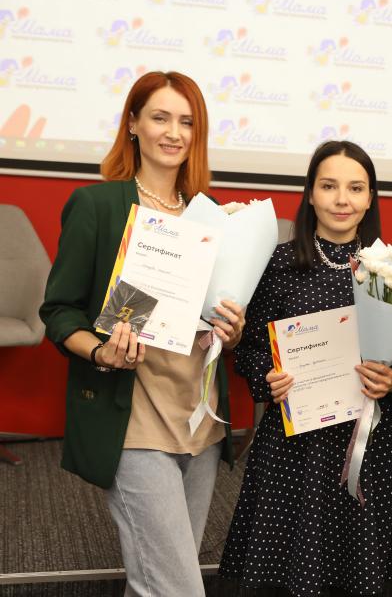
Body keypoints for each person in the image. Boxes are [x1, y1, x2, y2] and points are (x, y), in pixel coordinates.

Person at [40, 71, 244, 597]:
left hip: (200, 422)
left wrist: (233, 329)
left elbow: (219, 319)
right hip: (132, 421)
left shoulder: (212, 216)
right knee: (178, 587)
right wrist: (101, 352)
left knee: (155, 582)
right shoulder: (98, 206)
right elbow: (59, 312)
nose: (174, 132)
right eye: (160, 117)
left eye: (187, 122)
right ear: (133, 124)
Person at [219, 140, 392, 596]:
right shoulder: (277, 264)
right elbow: (249, 349)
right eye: (329, 186)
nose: (342, 199)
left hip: (368, 445)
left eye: (355, 188)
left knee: (357, 565)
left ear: (370, 197)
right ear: (310, 194)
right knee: (289, 568)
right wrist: (267, 377)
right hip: (294, 446)